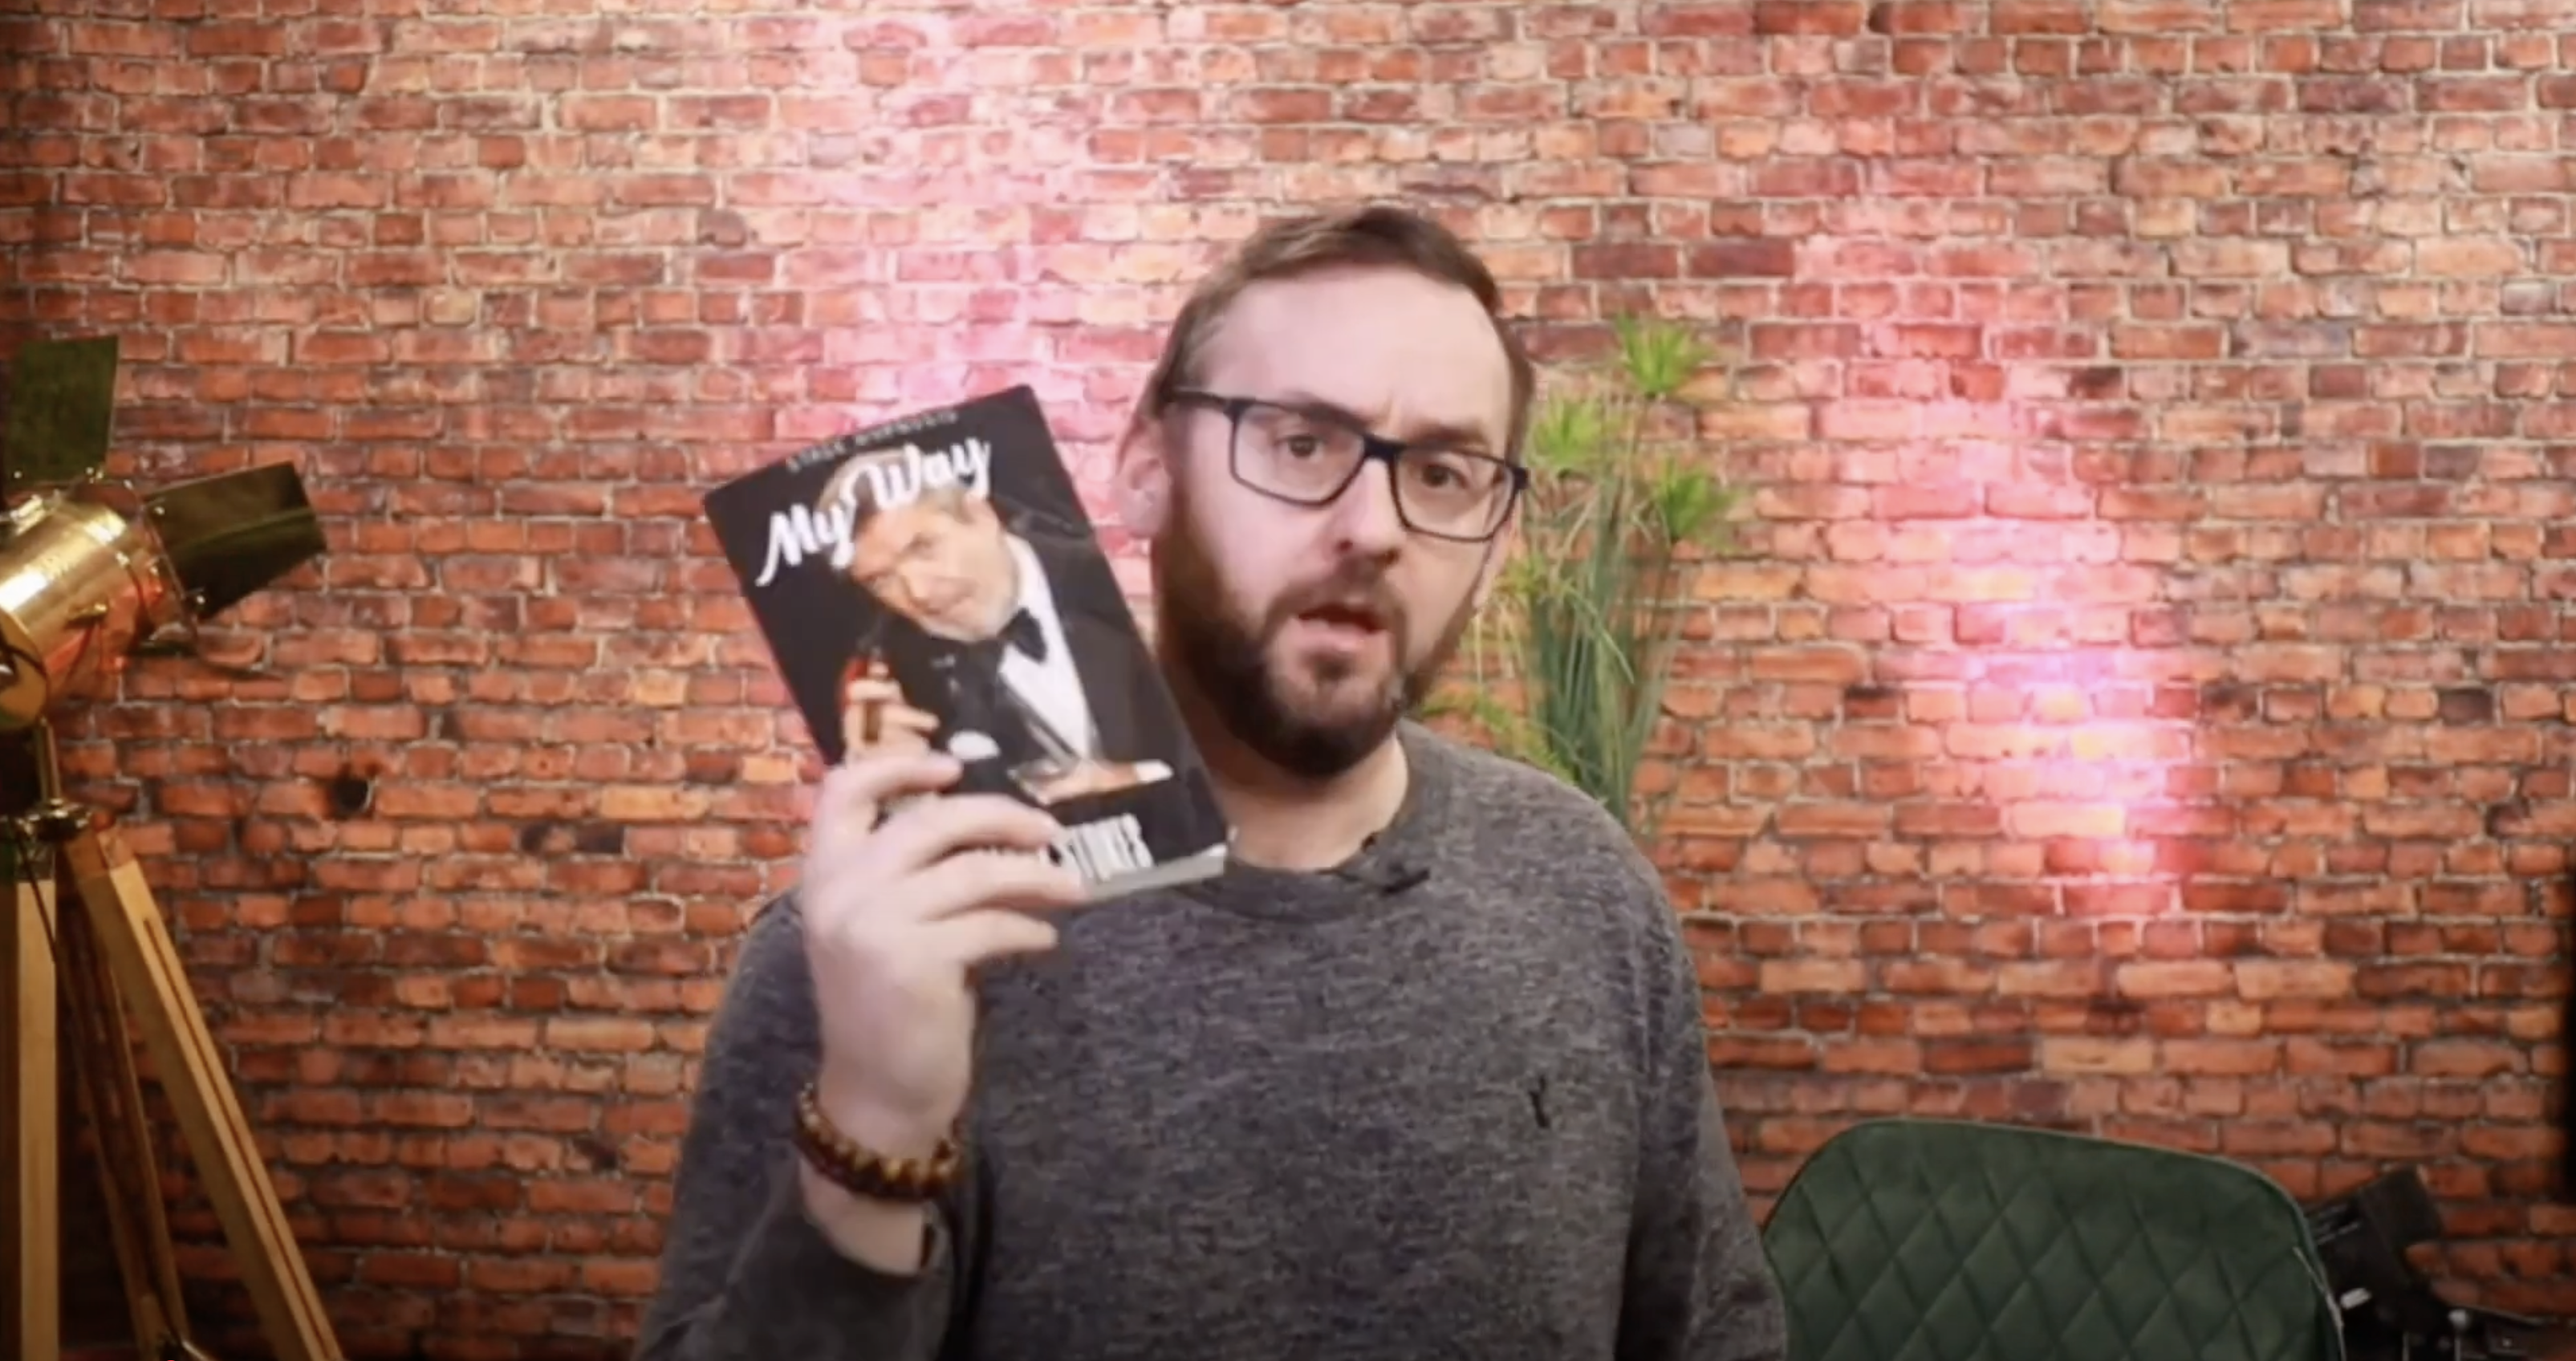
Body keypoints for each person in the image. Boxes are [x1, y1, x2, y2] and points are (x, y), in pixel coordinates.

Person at [635, 204, 1789, 1360]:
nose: (1374, 528)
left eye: (1443, 472)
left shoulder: (1584, 889)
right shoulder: (881, 940)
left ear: (1493, 538)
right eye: (1301, 443)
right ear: (1147, 471)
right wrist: (873, 1135)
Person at [819, 456, 1170, 806]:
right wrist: (899, 792)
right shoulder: (888, 682)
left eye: (923, 548)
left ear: (981, 515)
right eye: (880, 580)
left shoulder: (1119, 581)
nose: (919, 593)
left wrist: (1140, 780)